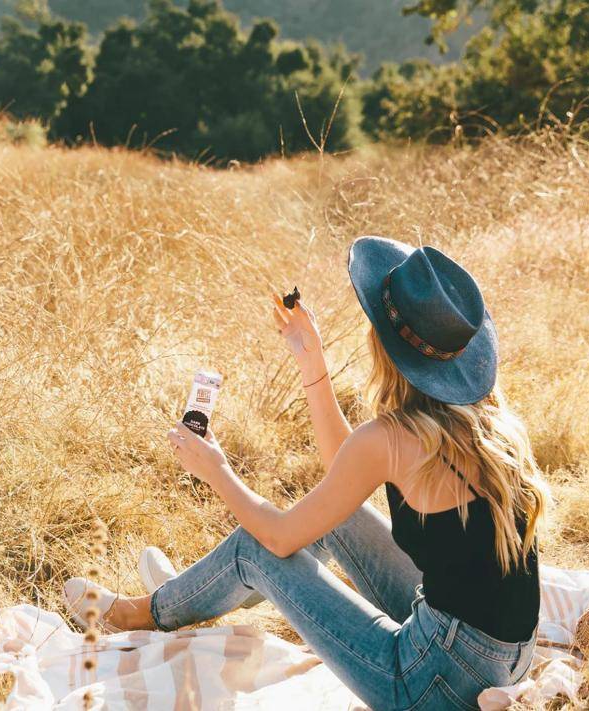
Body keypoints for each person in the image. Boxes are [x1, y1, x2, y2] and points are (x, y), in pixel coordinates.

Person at [63, 236, 551, 710]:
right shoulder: (487, 418)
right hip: (503, 658)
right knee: (332, 515)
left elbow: (278, 538)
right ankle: (195, 593)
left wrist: (217, 470)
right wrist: (310, 358)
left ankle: (143, 613)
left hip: (430, 683)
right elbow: (346, 469)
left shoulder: (393, 437)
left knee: (257, 548)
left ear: (382, 344)